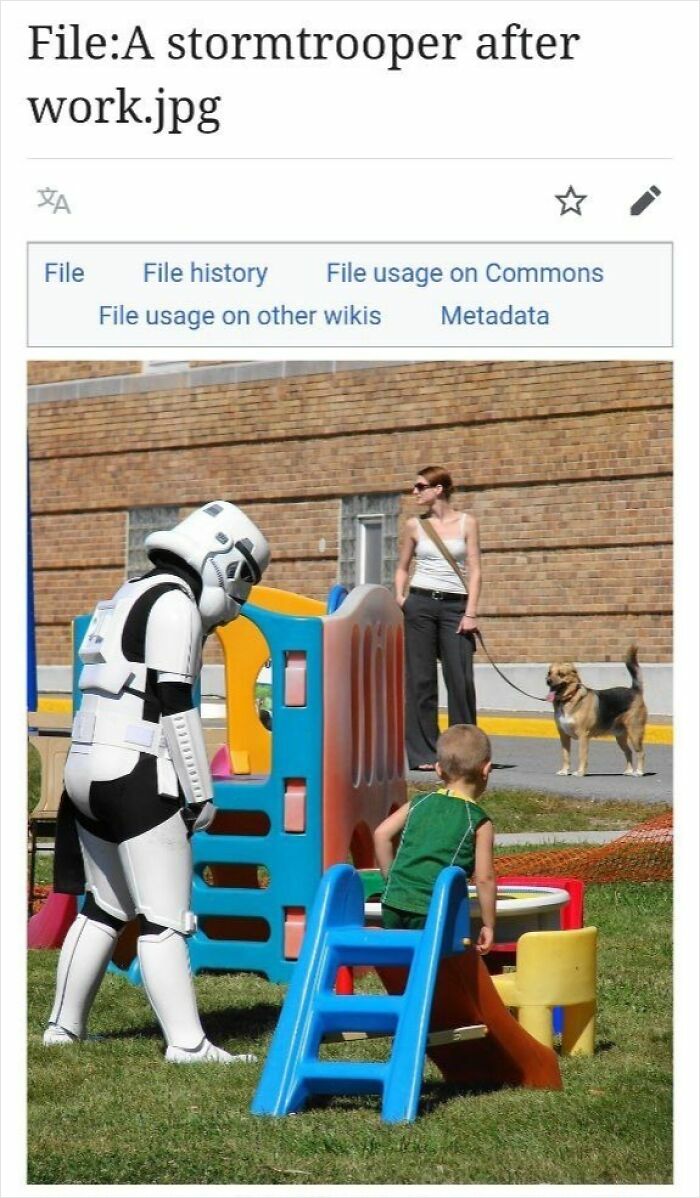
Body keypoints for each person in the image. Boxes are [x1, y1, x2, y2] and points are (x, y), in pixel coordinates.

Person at [43, 501, 270, 1064]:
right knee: (167, 916)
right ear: (227, 564)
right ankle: (187, 1043)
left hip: (84, 766)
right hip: (135, 768)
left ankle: (62, 1028)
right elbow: (175, 704)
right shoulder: (176, 605)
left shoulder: (125, 594)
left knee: (104, 907)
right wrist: (199, 789)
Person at [373, 724, 495, 954]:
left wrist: (393, 881)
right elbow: (484, 879)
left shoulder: (419, 803)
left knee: (404, 964)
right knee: (434, 967)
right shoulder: (478, 820)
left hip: (392, 903)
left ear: (438, 770)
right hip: (432, 909)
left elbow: (381, 834)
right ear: (486, 769)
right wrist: (489, 924)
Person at [394, 465, 482, 770]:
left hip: (455, 607)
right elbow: (403, 566)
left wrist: (470, 612)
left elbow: (475, 569)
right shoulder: (414, 526)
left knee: (461, 680)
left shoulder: (468, 523)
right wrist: (401, 597)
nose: (415, 492)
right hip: (420, 605)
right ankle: (424, 754)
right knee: (421, 681)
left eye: (420, 486)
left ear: (438, 489)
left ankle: (466, 752)